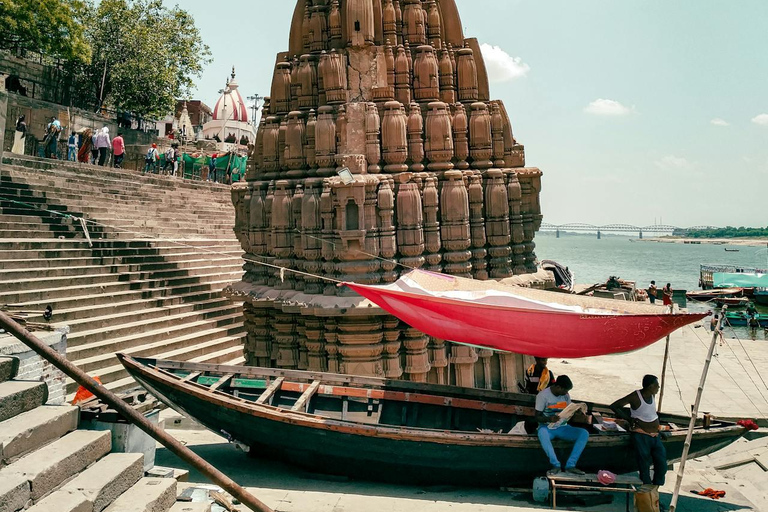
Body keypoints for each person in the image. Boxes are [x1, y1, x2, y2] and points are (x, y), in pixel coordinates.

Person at [610, 375, 667, 488]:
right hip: (641, 435)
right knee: (644, 463)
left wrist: (659, 430)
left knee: (662, 464)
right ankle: (646, 489)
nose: (658, 387)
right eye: (656, 385)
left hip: (655, 435)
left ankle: (655, 489)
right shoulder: (636, 396)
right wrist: (629, 419)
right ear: (650, 387)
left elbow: (651, 414)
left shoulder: (652, 395)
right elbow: (615, 406)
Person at [535, 375, 589, 476]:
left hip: (563, 427)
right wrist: (549, 419)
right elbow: (536, 417)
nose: (566, 393)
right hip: (548, 427)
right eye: (565, 390)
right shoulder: (543, 396)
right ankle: (556, 465)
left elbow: (568, 411)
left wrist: (576, 412)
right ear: (558, 387)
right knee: (542, 433)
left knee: (584, 433)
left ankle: (570, 465)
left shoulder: (566, 395)